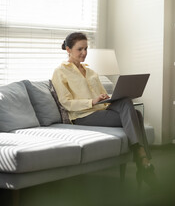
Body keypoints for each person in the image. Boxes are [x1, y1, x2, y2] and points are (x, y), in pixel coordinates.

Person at [51, 32, 157, 188]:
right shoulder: (60, 71)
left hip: (102, 109)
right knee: (136, 115)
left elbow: (102, 95)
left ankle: (142, 161)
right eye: (80, 49)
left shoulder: (91, 72)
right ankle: (143, 160)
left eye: (86, 49)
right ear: (68, 49)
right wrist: (91, 101)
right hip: (83, 116)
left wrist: (109, 98)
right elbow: (66, 103)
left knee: (127, 101)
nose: (84, 53)